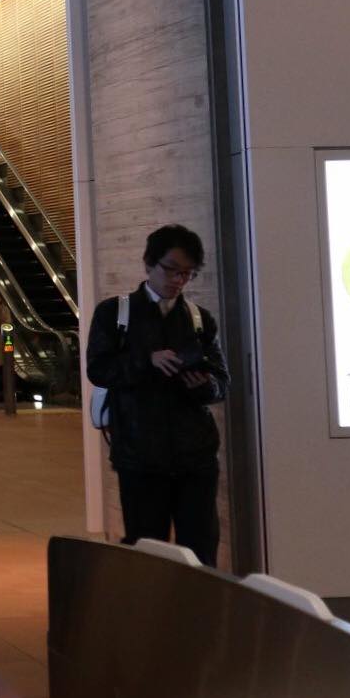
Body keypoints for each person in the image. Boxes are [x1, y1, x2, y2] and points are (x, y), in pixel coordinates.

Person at [86, 224, 229, 566]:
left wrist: (202, 385)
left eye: (187, 274)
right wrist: (146, 361)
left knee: (201, 553)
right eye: (171, 269)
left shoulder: (199, 319)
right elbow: (98, 369)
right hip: (140, 457)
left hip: (195, 457)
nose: (178, 280)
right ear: (149, 263)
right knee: (148, 553)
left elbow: (222, 381)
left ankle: (196, 618)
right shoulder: (115, 314)